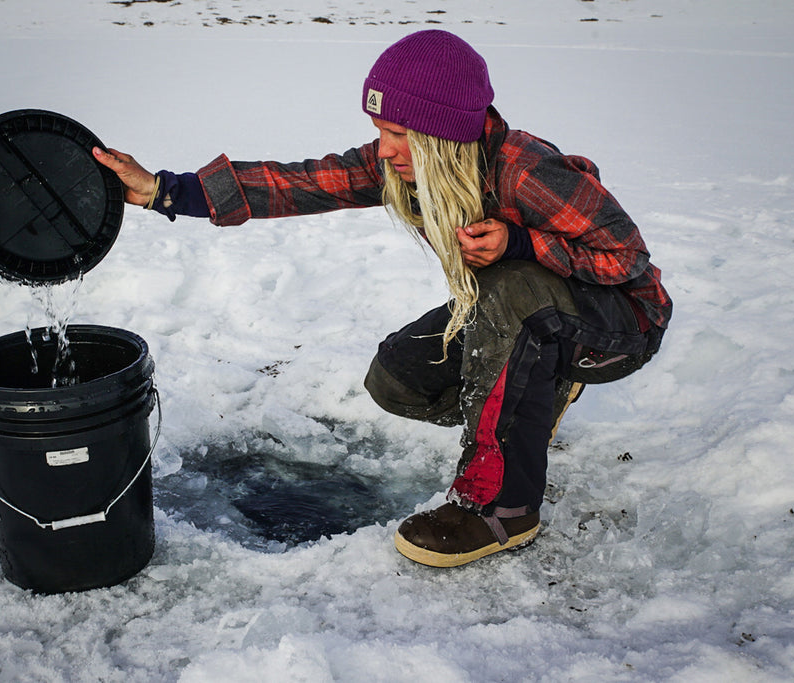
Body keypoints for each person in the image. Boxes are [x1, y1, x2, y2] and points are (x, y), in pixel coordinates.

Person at [93, 30, 672, 568]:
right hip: (524, 320)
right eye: (380, 131)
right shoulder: (403, 167)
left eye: (401, 135)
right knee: (396, 379)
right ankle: (533, 393)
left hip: (619, 327)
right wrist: (164, 191)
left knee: (515, 284)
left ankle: (500, 507)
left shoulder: (524, 172)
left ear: (444, 133)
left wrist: (522, 240)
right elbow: (302, 184)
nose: (386, 149)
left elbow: (628, 262)